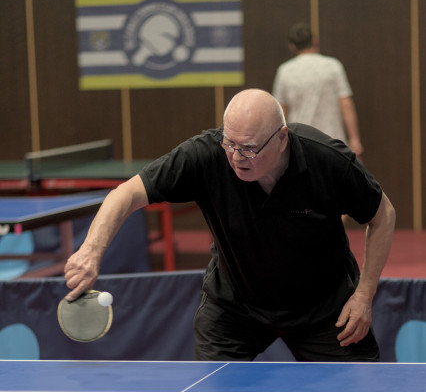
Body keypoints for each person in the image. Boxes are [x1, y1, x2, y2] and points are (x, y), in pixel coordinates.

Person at [64, 88, 395, 362]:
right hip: (236, 308)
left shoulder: (327, 160)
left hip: (324, 309)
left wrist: (364, 295)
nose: (236, 157)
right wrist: (91, 251)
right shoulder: (206, 154)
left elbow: (383, 216)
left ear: (282, 139)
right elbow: (126, 193)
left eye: (249, 148)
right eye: (230, 143)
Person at [272, 23, 364, 157]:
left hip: (300, 142)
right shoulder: (333, 66)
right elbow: (346, 104)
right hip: (332, 140)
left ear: (292, 46)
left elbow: (281, 112)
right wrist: (354, 139)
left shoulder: (285, 71)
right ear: (314, 41)